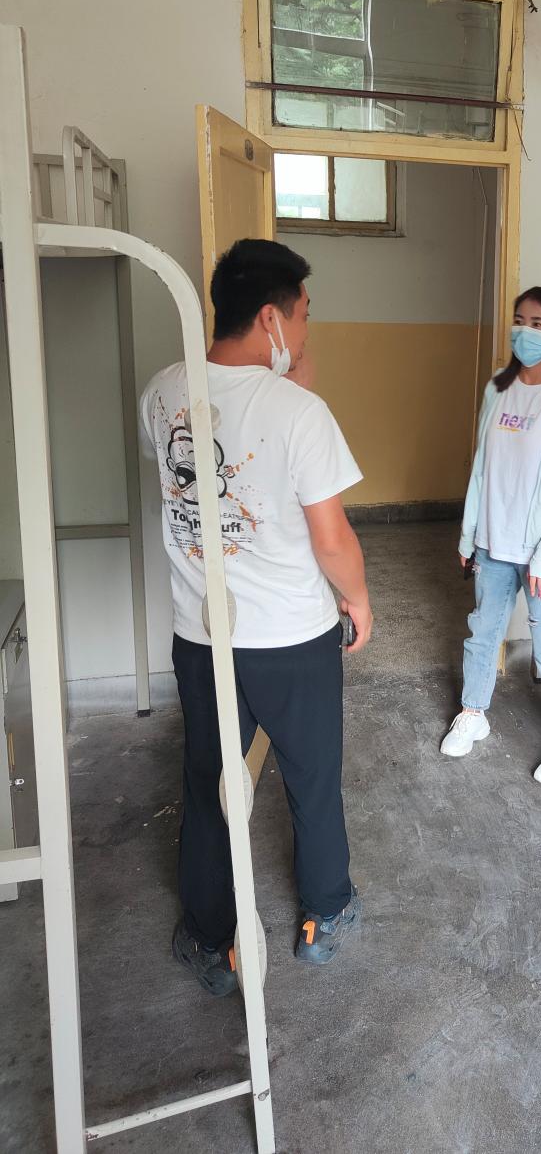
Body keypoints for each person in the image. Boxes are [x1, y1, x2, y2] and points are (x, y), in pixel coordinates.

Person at [140, 237, 373, 994]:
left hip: (201, 634)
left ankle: (210, 939)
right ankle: (325, 914)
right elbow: (331, 538)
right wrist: (358, 598)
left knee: (211, 779)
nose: (305, 331)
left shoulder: (162, 392)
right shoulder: (301, 412)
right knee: (312, 774)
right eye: (303, 314)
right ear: (273, 317)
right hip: (292, 638)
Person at [443, 286, 541, 786]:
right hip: (493, 543)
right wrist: (469, 535)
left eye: (537, 323)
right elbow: (481, 468)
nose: (524, 331)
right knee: (482, 632)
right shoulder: (497, 389)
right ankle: (473, 713)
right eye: (519, 320)